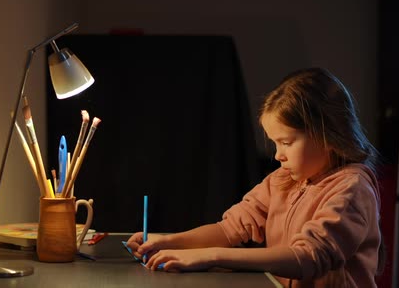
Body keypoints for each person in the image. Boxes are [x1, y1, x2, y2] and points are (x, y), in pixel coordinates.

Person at [126, 68, 384, 287]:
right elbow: (229, 229)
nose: (278, 156)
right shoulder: (282, 180)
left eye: (286, 142)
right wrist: (169, 242)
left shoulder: (352, 188)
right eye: (275, 144)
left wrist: (213, 256)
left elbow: (308, 257)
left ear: (327, 135)